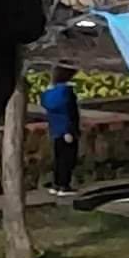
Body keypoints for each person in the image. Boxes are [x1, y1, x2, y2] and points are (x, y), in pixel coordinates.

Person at [40, 64, 81, 195]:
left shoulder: (48, 94)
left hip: (56, 128)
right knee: (68, 158)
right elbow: (71, 112)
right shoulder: (67, 91)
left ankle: (57, 184)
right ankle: (64, 185)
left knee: (59, 157)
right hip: (67, 128)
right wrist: (73, 129)